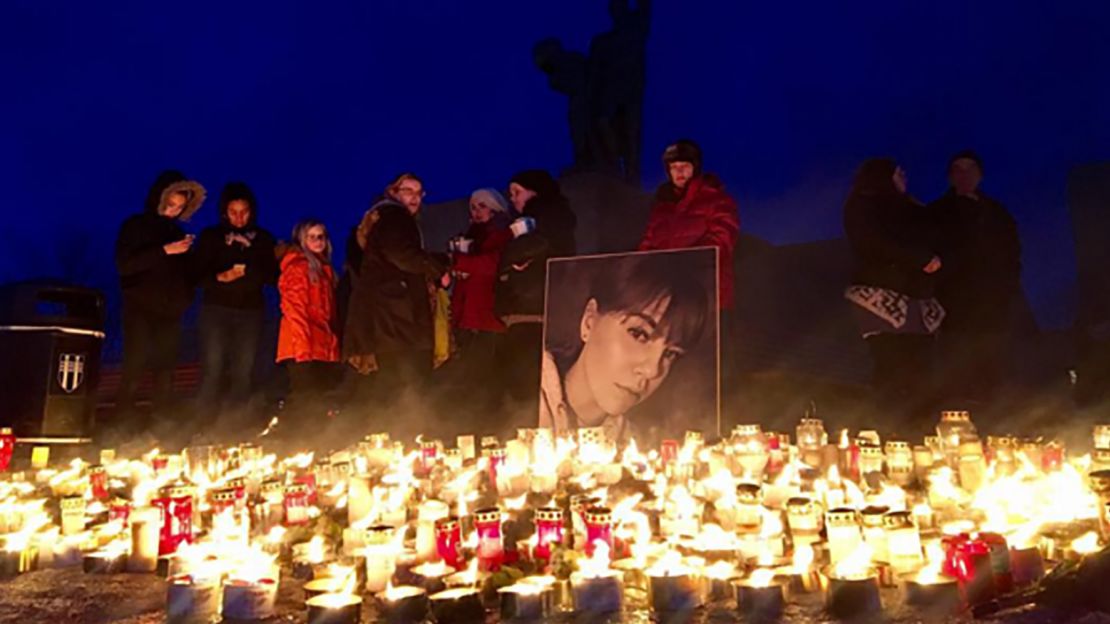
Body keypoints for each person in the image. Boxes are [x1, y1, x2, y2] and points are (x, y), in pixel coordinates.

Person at [540, 252, 708, 442]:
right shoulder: (518, 397)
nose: (652, 371)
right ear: (589, 320)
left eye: (670, 354)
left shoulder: (635, 449)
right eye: (639, 334)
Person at [843, 158, 944, 430]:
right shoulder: (863, 205)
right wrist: (917, 258)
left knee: (919, 366)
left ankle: (921, 432)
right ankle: (888, 431)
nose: (904, 177)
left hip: (914, 295)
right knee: (891, 364)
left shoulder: (912, 209)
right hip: (879, 296)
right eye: (898, 173)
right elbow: (873, 243)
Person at [639, 139, 740, 408]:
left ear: (695, 168)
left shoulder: (717, 200)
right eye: (674, 167)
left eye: (685, 166)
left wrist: (686, 262)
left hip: (707, 297)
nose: (679, 172)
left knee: (703, 368)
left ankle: (708, 424)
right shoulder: (661, 207)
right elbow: (648, 245)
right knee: (669, 368)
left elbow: (722, 239)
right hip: (667, 302)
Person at [342, 174, 448, 405]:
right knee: (406, 381)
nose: (415, 198)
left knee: (392, 382)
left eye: (419, 193)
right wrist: (439, 266)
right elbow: (402, 254)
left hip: (389, 317)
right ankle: (403, 433)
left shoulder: (382, 220)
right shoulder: (395, 217)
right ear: (394, 192)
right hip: (397, 317)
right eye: (408, 191)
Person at [114, 170, 205, 429]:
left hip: (170, 311)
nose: (173, 210)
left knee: (166, 367)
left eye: (179, 207)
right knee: (135, 362)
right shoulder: (135, 225)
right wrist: (165, 250)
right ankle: (121, 425)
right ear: (159, 198)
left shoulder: (178, 233)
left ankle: (160, 426)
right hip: (139, 307)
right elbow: (125, 264)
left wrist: (195, 269)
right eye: (170, 204)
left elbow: (188, 274)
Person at [930, 151, 1021, 405]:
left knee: (991, 365)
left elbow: (1012, 253)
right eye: (958, 169)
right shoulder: (938, 213)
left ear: (979, 175)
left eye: (970, 169)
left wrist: (1007, 288)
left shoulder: (997, 213)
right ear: (951, 177)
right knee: (957, 366)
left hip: (993, 303)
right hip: (954, 303)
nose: (964, 175)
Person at [496, 170, 577, 419]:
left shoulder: (549, 215)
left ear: (535, 191)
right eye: (510, 193)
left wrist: (512, 257)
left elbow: (533, 246)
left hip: (536, 310)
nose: (513, 199)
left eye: (517, 192)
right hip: (527, 308)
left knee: (530, 383)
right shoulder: (534, 218)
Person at [193, 182, 277, 420]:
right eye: (233, 212)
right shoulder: (211, 237)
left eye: (244, 212)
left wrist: (250, 267)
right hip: (216, 310)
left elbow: (274, 276)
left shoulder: (262, 239)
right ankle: (204, 425)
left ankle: (237, 425)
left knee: (244, 370)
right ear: (224, 212)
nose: (239, 218)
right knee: (213, 368)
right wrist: (220, 277)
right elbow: (196, 274)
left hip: (250, 311)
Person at [448, 189, 513, 416]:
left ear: (495, 208)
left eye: (482, 206)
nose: (476, 212)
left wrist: (459, 262)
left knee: (486, 380)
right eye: (473, 207)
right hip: (467, 317)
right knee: (470, 381)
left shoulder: (503, 233)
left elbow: (490, 265)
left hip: (487, 316)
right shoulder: (471, 236)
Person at [276, 220, 340, 434]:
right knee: (305, 399)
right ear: (301, 240)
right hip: (301, 345)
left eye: (321, 236)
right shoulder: (298, 267)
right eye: (311, 236)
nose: (318, 241)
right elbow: (295, 310)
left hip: (319, 344)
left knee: (318, 398)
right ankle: (295, 442)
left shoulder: (324, 270)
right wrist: (303, 349)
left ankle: (315, 442)